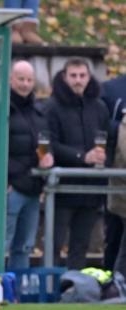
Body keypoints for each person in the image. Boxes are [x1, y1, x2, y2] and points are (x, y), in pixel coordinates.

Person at [46, 57, 110, 270]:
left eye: (82, 75)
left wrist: (101, 158)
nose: (78, 80)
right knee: (54, 243)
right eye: (73, 75)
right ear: (65, 77)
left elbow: (108, 140)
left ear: (89, 77)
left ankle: (75, 287)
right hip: (62, 189)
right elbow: (50, 143)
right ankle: (51, 289)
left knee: (81, 245)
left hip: (91, 189)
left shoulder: (99, 107)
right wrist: (82, 157)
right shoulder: (52, 107)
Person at [4, 60, 53, 270]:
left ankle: (16, 295)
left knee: (24, 246)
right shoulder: (2, 109)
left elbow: (46, 143)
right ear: (10, 79)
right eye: (21, 79)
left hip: (33, 188)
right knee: (1, 243)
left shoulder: (39, 111)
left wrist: (48, 158)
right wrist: (6, 181)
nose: (25, 84)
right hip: (12, 188)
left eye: (29, 80)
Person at [100, 74, 126, 273]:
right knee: (116, 238)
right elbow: (100, 123)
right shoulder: (111, 89)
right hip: (118, 186)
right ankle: (112, 284)